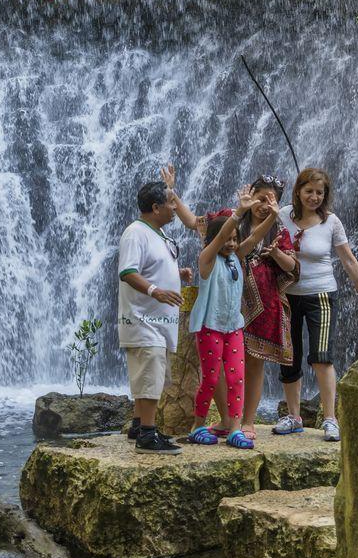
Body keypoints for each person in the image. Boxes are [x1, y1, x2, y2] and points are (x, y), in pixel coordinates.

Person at [274, 167, 358, 442]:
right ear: (298, 192)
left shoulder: (331, 222)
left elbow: (349, 261)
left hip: (321, 294)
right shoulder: (283, 216)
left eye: (320, 193)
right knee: (289, 356)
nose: (314, 197)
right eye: (309, 191)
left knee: (321, 356)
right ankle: (294, 417)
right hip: (288, 295)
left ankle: (330, 419)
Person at [187, 186, 280, 450]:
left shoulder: (236, 258)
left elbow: (253, 238)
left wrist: (272, 217)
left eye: (234, 239)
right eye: (226, 239)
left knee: (237, 376)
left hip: (233, 327)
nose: (230, 243)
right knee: (212, 378)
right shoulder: (207, 259)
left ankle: (235, 429)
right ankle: (197, 425)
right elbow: (218, 241)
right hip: (210, 328)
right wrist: (238, 213)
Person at [118, 179, 193, 454]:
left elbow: (154, 266)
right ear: (155, 207)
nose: (175, 208)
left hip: (157, 322)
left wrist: (177, 274)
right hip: (141, 319)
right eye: (171, 203)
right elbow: (127, 271)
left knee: (150, 373)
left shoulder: (156, 233)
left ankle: (139, 425)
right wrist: (155, 291)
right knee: (149, 373)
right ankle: (147, 436)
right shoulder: (135, 233)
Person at [239, 177, 299, 440]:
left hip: (263, 307)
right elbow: (200, 225)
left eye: (270, 200)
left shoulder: (280, 231)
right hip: (231, 301)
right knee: (226, 361)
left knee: (254, 364)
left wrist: (275, 253)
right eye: (259, 198)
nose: (264, 204)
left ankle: (248, 421)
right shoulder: (234, 223)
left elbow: (292, 268)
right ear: (249, 196)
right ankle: (229, 418)